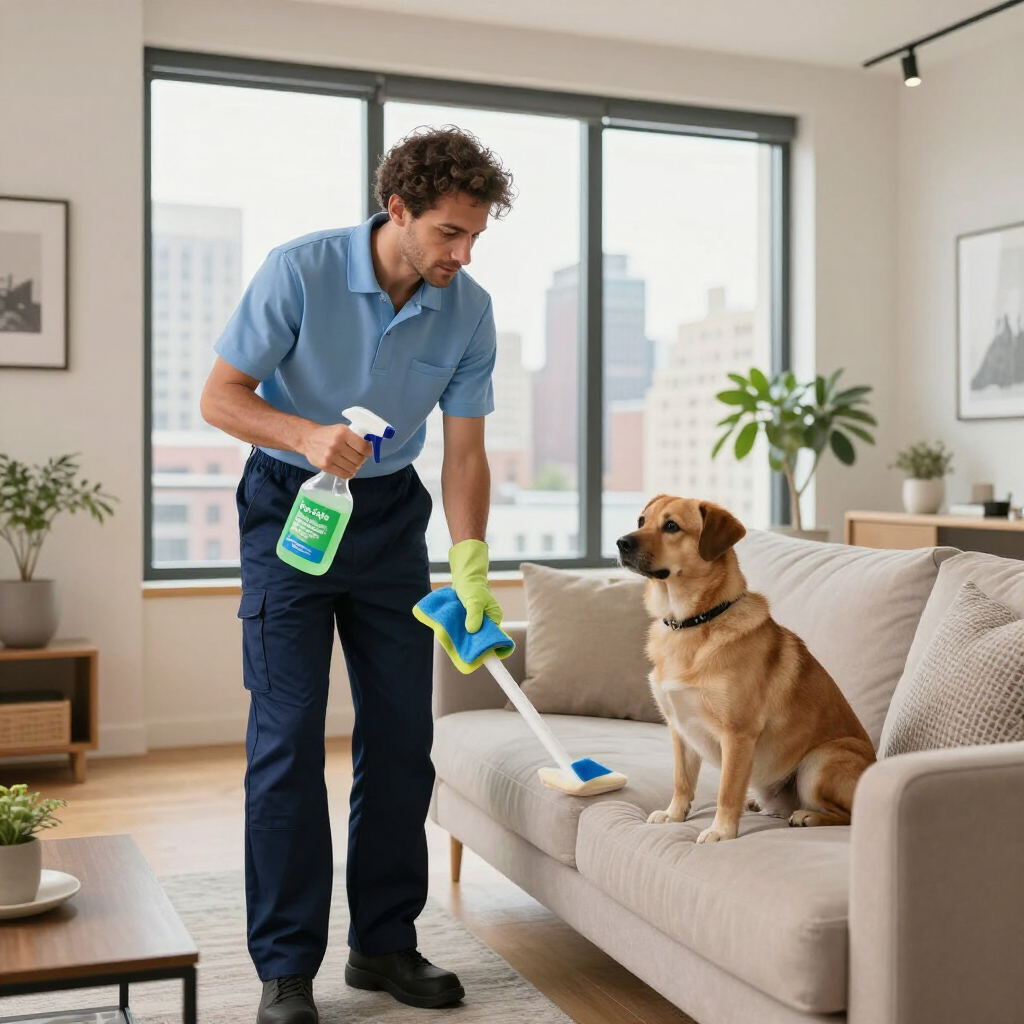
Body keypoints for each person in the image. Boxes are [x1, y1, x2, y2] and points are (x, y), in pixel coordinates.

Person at [200, 126, 515, 1024]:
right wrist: (305, 435)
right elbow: (218, 397)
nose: (463, 252)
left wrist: (471, 562)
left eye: (477, 235)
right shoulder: (298, 271)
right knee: (288, 736)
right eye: (450, 232)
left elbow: (463, 452)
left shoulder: (470, 308)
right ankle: (286, 965)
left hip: (387, 521)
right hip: (287, 508)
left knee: (400, 734)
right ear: (400, 210)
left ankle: (383, 944)